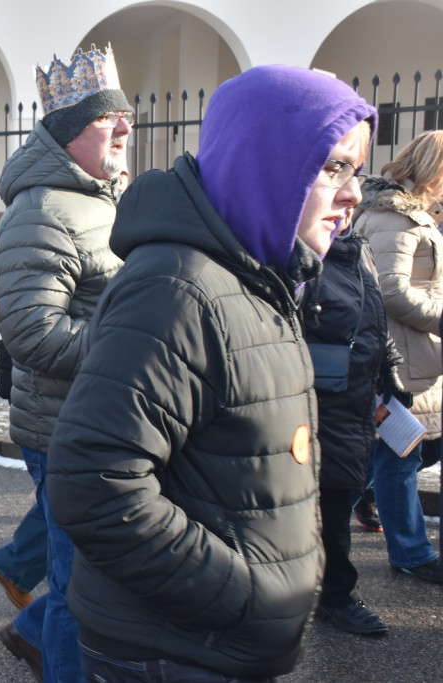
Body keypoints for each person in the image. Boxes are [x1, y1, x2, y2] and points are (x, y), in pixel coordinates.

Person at [48, 65, 376, 680]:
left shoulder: (257, 277)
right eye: (332, 167)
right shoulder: (179, 288)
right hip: (177, 651)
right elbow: (94, 483)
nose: (354, 194)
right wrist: (248, 599)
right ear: (267, 163)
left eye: (355, 171)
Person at [0, 43, 130, 682]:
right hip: (63, 427)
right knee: (80, 588)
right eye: (110, 119)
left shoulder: (102, 197)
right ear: (73, 133)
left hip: (100, 418)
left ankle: (26, 630)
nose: (126, 128)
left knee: (87, 570)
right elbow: (33, 333)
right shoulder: (42, 210)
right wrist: (131, 343)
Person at [354, 130, 443, 585]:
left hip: (417, 352)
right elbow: (391, 291)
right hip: (401, 355)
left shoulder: (409, 214)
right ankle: (411, 551)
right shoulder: (394, 218)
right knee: (402, 455)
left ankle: (356, 493)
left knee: (409, 450)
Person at [303, 227, 399, 637]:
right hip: (316, 400)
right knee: (323, 502)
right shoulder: (297, 252)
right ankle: (332, 596)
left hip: (354, 399)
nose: (351, 196)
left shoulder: (357, 250)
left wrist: (389, 365)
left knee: (339, 498)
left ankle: (332, 595)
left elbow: (375, 314)